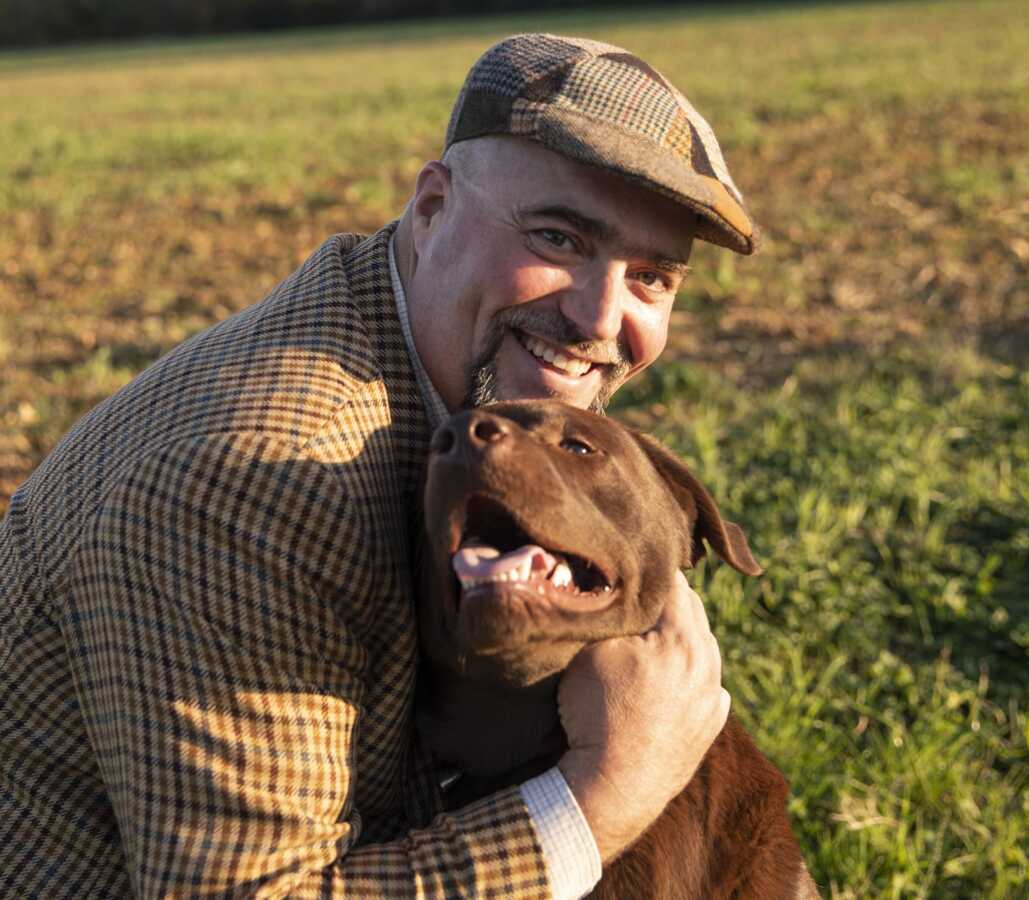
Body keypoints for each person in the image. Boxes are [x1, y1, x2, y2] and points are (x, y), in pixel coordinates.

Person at [0, 33, 760, 897]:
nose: (600, 316)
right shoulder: (264, 481)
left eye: (653, 277)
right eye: (558, 236)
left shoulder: (423, 352)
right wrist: (604, 793)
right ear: (430, 206)